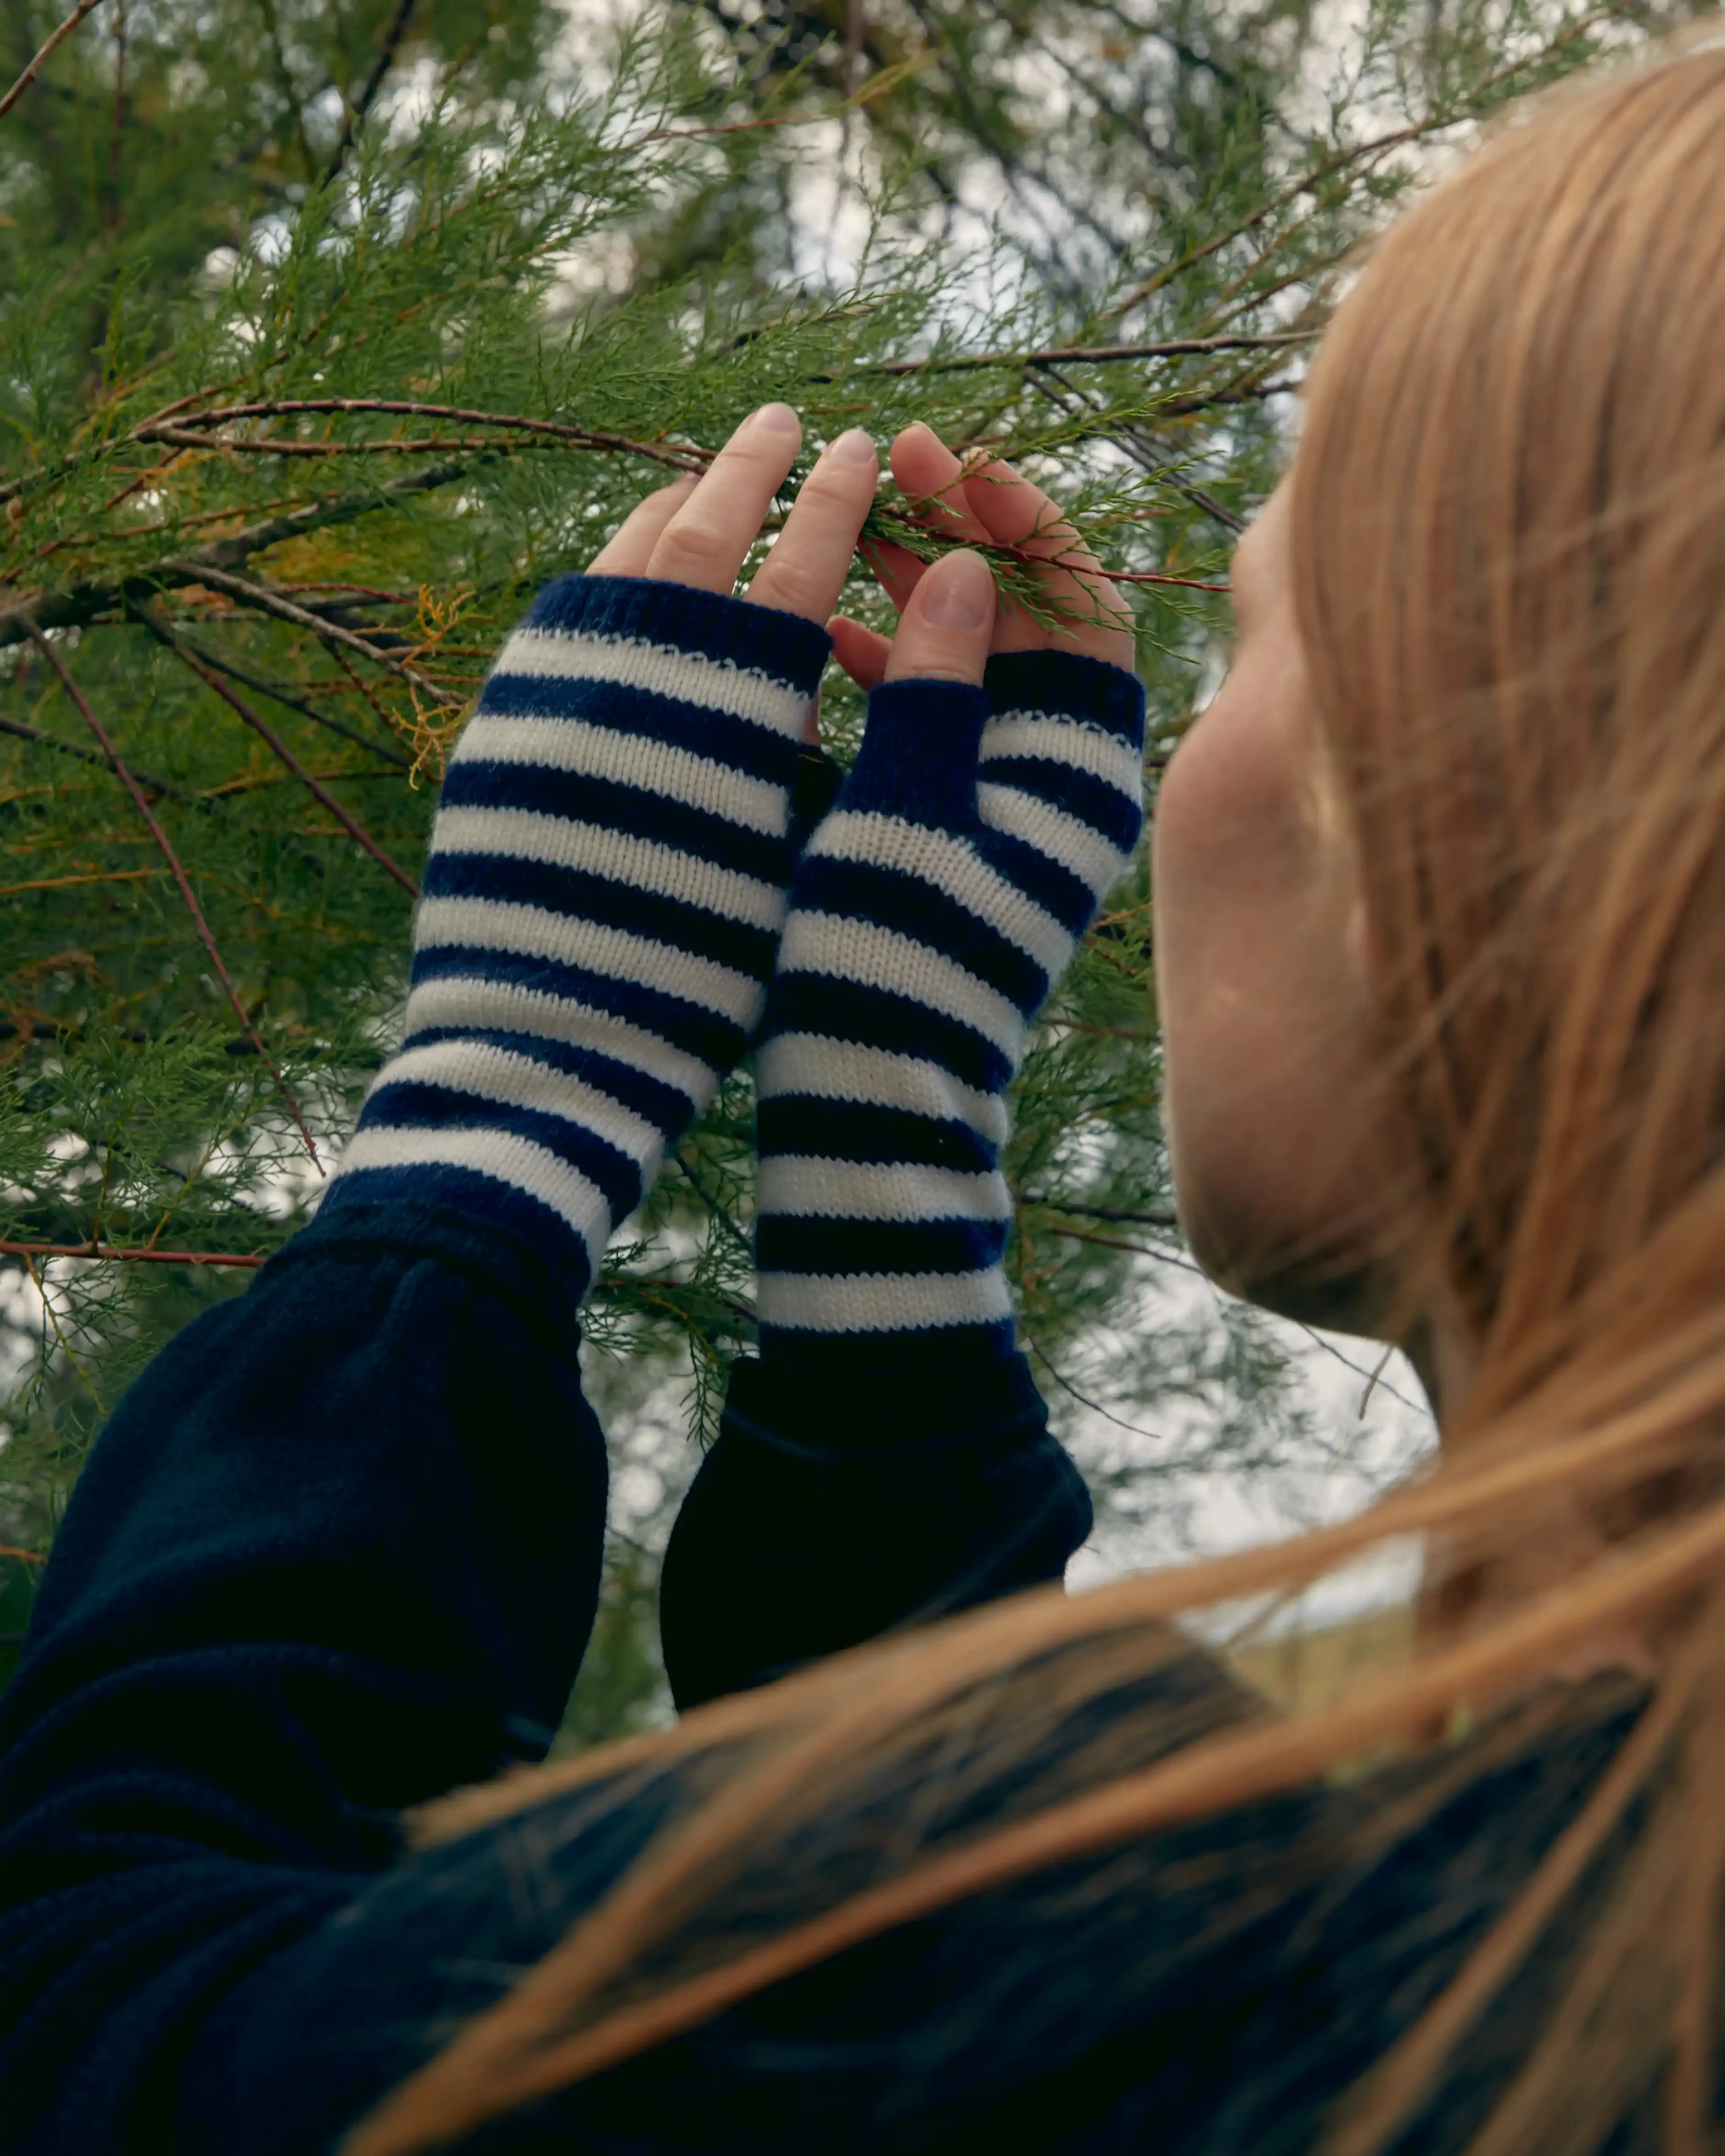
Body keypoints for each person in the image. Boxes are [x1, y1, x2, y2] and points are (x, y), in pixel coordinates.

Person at [5, 32, 1725, 2155]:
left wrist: (497, 1109)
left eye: (1263, 630)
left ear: (1491, 818)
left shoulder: (1193, 2001)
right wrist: (883, 1161)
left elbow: (93, 2009)